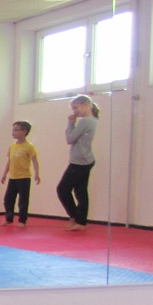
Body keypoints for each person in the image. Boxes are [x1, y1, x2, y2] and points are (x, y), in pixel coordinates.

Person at [56, 94, 99, 231]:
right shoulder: (92, 120)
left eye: (76, 107)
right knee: (80, 191)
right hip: (85, 159)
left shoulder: (85, 121)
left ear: (85, 105)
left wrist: (70, 123)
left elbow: (70, 139)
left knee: (62, 189)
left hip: (80, 161)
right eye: (73, 109)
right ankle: (80, 222)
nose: (74, 111)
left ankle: (75, 217)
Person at [0, 121, 40, 226]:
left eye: (16, 130)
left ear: (24, 132)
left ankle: (22, 220)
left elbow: (34, 160)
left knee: (23, 201)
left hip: (24, 178)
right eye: (13, 130)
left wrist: (36, 173)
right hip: (13, 178)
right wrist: (4, 174)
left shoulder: (29, 146)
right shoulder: (12, 146)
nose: (13, 132)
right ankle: (9, 218)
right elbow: (9, 161)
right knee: (8, 199)